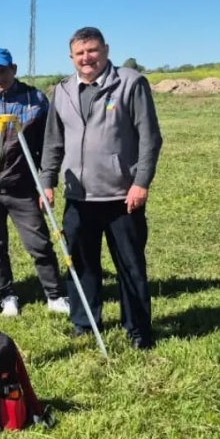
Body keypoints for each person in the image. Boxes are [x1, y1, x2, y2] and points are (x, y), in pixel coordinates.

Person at [40, 27, 163, 349]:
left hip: (122, 196)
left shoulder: (130, 83)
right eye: (80, 53)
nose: (86, 58)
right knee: (81, 264)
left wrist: (140, 183)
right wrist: (47, 181)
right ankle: (84, 322)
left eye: (92, 51)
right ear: (71, 57)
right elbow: (53, 141)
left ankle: (137, 330)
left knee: (130, 265)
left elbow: (150, 138)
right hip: (78, 196)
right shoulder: (63, 91)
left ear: (105, 50)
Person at [0, 48, 70, 317]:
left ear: (14, 69)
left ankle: (54, 294)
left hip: (23, 186)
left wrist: (47, 182)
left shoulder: (35, 100)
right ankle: (6, 296)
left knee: (39, 243)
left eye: (4, 70)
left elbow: (49, 143)